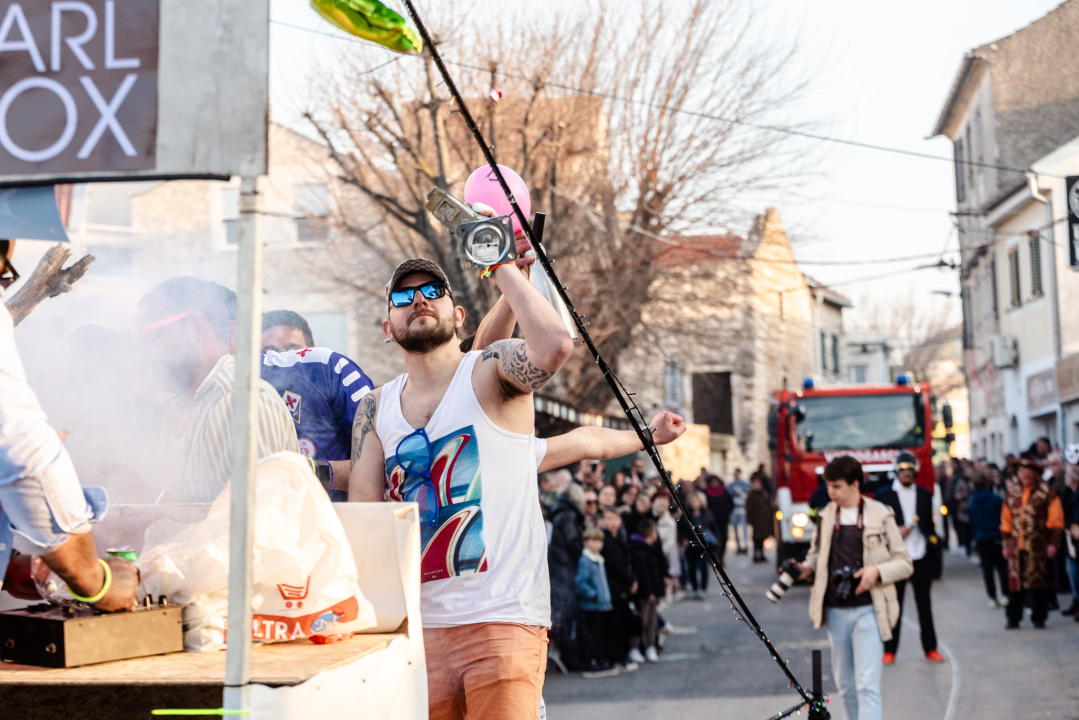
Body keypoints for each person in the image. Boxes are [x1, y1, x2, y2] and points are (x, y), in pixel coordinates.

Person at [348, 256, 683, 717]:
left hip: (501, 621)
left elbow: (553, 350)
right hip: (414, 635)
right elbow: (363, 521)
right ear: (388, 326)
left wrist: (500, 263)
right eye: (403, 297)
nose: (418, 300)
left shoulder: (489, 374)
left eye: (432, 291)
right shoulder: (374, 408)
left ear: (457, 314)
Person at [1, 277, 139, 613]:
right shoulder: (55, 402)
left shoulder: (148, 404)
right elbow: (21, 449)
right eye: (85, 344)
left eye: (105, 343)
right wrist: (93, 579)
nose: (95, 356)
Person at [137, 278, 299, 501]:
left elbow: (260, 520)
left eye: (152, 338)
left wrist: (150, 495)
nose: (146, 356)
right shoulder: (170, 408)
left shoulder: (245, 402)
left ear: (196, 327)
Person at [792, 456, 912, 720]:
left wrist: (876, 571)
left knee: (867, 684)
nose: (830, 492)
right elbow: (816, 555)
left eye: (836, 486)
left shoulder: (880, 514)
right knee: (846, 686)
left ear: (855, 484)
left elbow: (905, 563)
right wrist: (804, 569)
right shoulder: (825, 515)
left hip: (870, 609)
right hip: (835, 611)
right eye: (828, 486)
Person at [873, 452, 943, 665]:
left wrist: (934, 544)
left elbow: (930, 525)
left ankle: (930, 649)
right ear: (897, 471)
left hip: (920, 555)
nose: (907, 474)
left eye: (911, 470)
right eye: (903, 470)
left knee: (924, 605)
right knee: (894, 606)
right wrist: (896, 531)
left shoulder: (924, 494)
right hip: (897, 558)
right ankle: (889, 650)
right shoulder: (883, 495)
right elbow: (877, 527)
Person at [1001, 457, 1064, 629]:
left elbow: (1056, 522)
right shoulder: (1011, 495)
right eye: (1021, 474)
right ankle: (1013, 618)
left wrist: (1053, 543)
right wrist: (1005, 545)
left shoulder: (1048, 493)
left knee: (1039, 584)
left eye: (1027, 474)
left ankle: (1039, 617)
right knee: (1015, 586)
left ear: (1035, 475)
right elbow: (1006, 523)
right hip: (1016, 548)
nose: (1024, 477)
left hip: (1039, 547)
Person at [599, 509, 637, 670]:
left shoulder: (620, 538)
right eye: (609, 518)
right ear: (602, 521)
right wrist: (630, 581)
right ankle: (615, 657)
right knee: (614, 623)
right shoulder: (605, 541)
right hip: (612, 586)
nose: (612, 522)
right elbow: (614, 566)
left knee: (622, 622)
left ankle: (621, 655)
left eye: (615, 518)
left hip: (621, 586)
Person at [628, 519, 667, 664]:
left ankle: (651, 646)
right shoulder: (640, 550)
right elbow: (643, 573)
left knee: (652, 620)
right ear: (651, 533)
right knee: (642, 620)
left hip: (653, 591)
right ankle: (635, 648)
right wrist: (650, 591)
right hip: (646, 593)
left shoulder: (650, 548)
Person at [575, 527, 614, 674]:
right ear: (585, 543)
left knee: (601, 635)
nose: (597, 544)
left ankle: (600, 659)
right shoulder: (586, 560)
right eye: (594, 541)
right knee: (592, 635)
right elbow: (581, 582)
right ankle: (592, 661)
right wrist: (593, 594)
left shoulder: (598, 559)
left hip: (602, 605)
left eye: (599, 541)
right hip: (592, 605)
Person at [968, 469, 1009, 609]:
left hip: (981, 539)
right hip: (996, 536)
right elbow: (1003, 518)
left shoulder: (972, 503)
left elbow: (972, 522)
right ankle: (1005, 594)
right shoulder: (995, 499)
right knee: (1002, 567)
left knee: (987, 570)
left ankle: (992, 597)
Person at [678, 490, 720, 599]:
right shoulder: (685, 514)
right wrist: (683, 539)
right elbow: (680, 529)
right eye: (692, 501)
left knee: (703, 567)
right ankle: (694, 587)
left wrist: (715, 544)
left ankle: (703, 589)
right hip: (691, 546)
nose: (694, 503)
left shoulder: (707, 514)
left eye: (696, 501)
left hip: (704, 546)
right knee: (691, 567)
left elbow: (714, 529)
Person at [705, 474, 734, 567]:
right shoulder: (707, 493)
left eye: (716, 481)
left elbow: (731, 504)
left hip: (724, 520)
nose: (714, 483)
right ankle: (714, 557)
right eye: (712, 481)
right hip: (712, 522)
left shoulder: (724, 491)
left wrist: (727, 512)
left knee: (724, 538)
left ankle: (721, 557)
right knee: (715, 540)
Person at [745, 475, 773, 563]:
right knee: (756, 539)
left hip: (764, 521)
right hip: (756, 521)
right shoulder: (751, 495)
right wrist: (750, 520)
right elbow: (749, 508)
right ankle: (756, 555)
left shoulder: (763, 493)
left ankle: (761, 554)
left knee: (762, 539)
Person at [729, 468, 750, 554]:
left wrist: (740, 493)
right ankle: (738, 546)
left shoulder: (744, 484)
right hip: (734, 510)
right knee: (735, 529)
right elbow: (729, 497)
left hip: (742, 510)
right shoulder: (730, 485)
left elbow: (747, 496)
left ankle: (746, 545)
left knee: (744, 529)